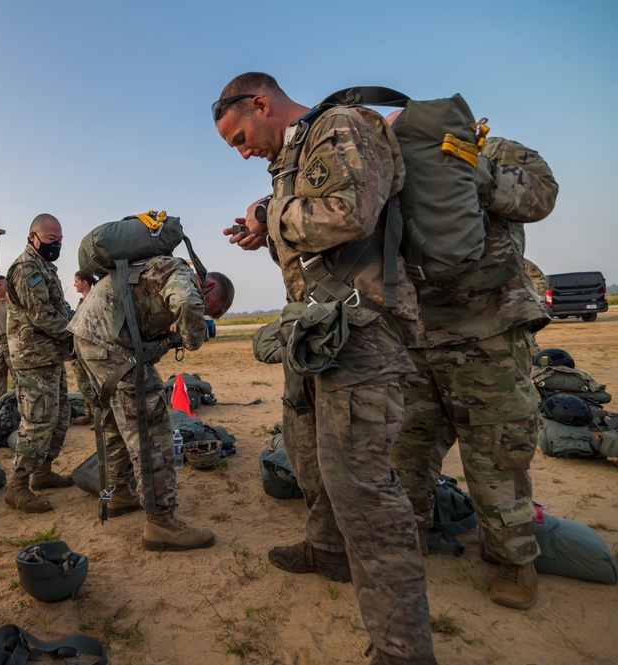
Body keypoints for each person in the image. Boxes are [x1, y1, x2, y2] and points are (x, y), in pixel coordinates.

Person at [213, 72, 434, 664]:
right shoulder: (299, 153)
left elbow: (348, 214)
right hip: (317, 332)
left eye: (240, 137)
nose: (244, 151)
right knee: (307, 451)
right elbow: (317, 236)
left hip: (361, 335)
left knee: (363, 490)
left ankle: (403, 649)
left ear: (260, 103)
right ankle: (326, 549)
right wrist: (267, 226)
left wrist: (273, 210)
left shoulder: (341, 125)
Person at [391, 136, 558, 610]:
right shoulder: (387, 162)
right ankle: (411, 538)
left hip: (488, 330)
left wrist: (473, 167)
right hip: (415, 335)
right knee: (406, 448)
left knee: (497, 453)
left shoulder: (494, 149)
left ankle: (513, 559)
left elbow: (540, 197)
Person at [69, 258, 234, 550]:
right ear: (207, 286)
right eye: (211, 310)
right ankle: (161, 522)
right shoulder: (183, 274)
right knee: (151, 426)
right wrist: (194, 337)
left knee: (116, 421)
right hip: (109, 344)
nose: (207, 315)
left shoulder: (159, 272)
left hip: (89, 337)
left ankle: (118, 494)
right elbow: (187, 302)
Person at [4, 214, 73, 513]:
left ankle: (43, 473)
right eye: (50, 240)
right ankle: (17, 486)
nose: (55, 245)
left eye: (59, 241)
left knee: (59, 415)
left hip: (51, 355)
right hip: (33, 358)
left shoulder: (46, 267)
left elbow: (59, 307)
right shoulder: (26, 268)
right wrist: (75, 336)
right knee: (37, 421)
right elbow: (42, 315)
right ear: (32, 237)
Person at [69, 271, 98, 423]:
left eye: (76, 281)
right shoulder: (82, 302)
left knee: (90, 384)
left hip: (90, 348)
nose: (74, 284)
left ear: (84, 282)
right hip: (79, 348)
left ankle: (98, 416)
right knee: (83, 382)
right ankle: (90, 413)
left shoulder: (93, 300)